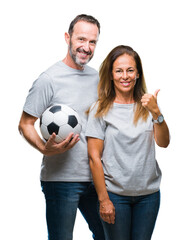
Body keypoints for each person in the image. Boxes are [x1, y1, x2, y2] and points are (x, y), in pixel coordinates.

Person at [18, 14, 105, 240]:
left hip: (95, 178)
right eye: (81, 39)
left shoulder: (96, 78)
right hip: (61, 180)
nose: (86, 47)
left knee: (107, 235)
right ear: (68, 38)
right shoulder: (49, 79)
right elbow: (25, 124)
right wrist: (43, 148)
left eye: (92, 42)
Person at [85, 45, 170, 240]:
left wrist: (157, 113)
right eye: (119, 70)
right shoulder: (100, 109)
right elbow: (94, 157)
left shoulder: (149, 105)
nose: (125, 76)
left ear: (138, 73)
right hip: (115, 196)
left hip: (148, 196)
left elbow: (164, 142)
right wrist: (103, 199)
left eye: (130, 70)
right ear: (111, 74)